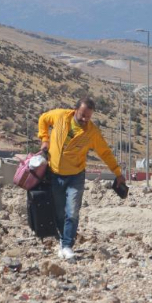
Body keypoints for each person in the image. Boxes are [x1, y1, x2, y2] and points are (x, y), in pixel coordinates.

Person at [38, 97, 125, 260]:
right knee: (58, 211)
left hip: (76, 176)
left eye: (89, 116)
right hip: (55, 174)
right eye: (83, 115)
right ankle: (62, 242)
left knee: (72, 211)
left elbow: (104, 152)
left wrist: (117, 173)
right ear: (75, 109)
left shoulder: (92, 132)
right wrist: (44, 139)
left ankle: (67, 245)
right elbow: (43, 119)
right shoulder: (60, 116)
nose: (85, 119)